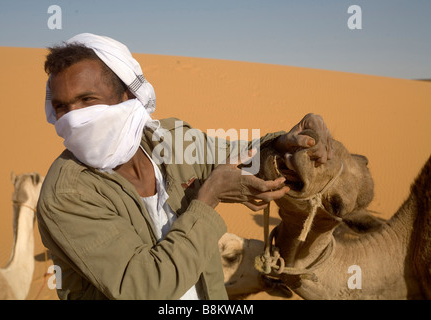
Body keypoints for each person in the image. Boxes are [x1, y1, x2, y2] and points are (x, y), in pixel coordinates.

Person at [37, 33, 333, 300]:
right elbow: (144, 288)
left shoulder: (170, 138)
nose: (73, 119)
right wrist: (209, 197)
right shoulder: (67, 194)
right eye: (62, 107)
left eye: (88, 100)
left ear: (127, 95)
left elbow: (241, 156)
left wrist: (287, 146)